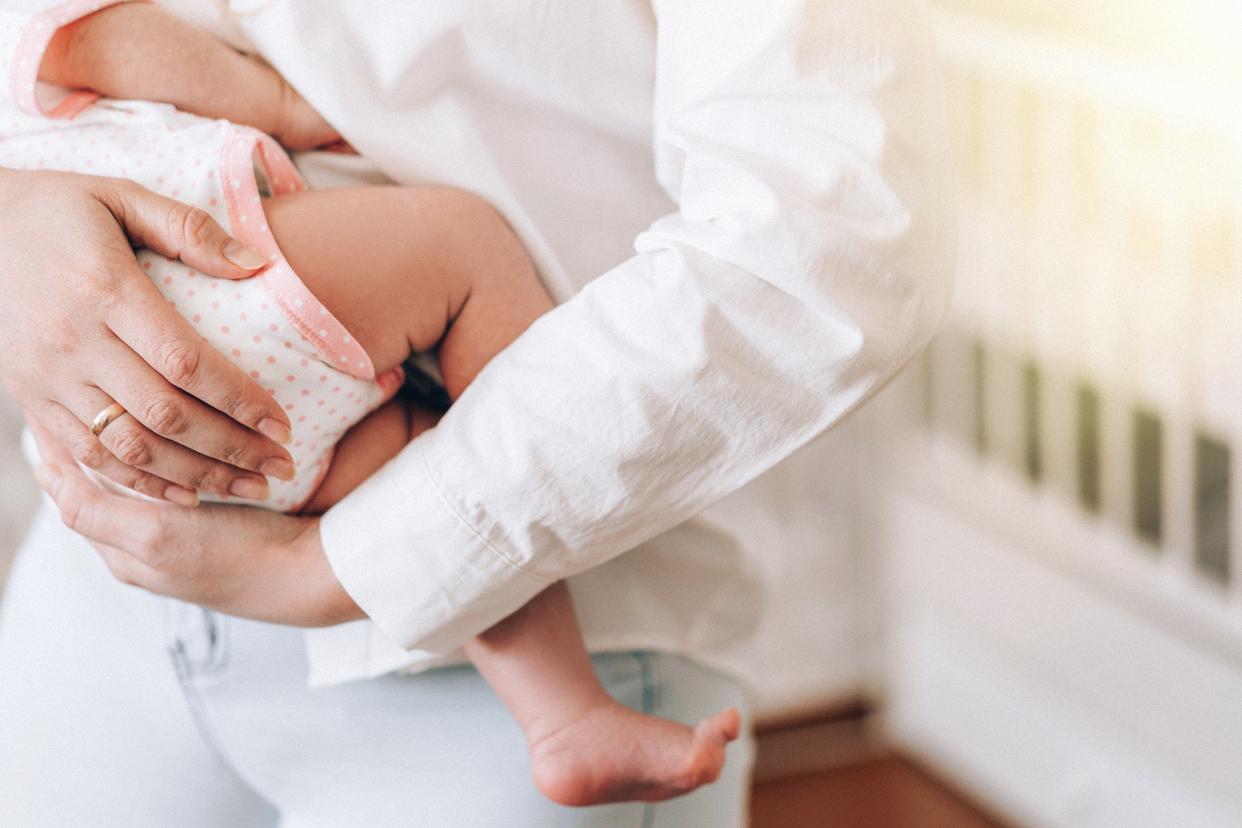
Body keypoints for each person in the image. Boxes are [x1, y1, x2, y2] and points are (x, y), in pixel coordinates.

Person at [0, 0, 954, 825]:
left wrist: (352, 561)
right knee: (436, 340)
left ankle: (560, 707)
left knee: (426, 398)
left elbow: (829, 236)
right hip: (114, 575)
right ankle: (563, 711)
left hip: (487, 634)